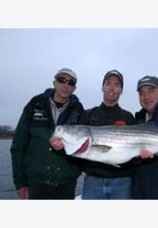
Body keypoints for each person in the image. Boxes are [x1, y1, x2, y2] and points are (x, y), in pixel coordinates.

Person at [51, 70, 141, 199]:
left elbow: (134, 158)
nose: (112, 88)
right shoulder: (87, 115)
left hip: (122, 183)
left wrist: (141, 155)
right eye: (108, 83)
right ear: (102, 87)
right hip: (93, 182)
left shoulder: (128, 117)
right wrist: (61, 148)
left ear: (121, 90)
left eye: (116, 85)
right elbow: (74, 155)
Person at [10, 68, 84, 199]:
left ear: (74, 88)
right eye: (62, 80)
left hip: (66, 184)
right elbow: (18, 146)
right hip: (36, 183)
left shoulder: (78, 111)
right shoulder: (35, 104)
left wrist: (73, 172)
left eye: (71, 83)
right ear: (54, 83)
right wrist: (20, 182)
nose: (65, 85)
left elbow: (81, 148)